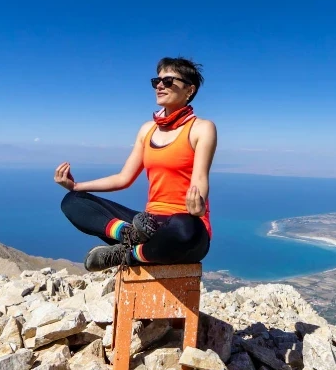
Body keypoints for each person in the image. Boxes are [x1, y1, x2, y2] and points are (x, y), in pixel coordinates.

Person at [55, 57, 217, 272]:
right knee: (72, 202)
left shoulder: (202, 128)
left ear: (189, 90)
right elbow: (123, 178)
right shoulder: (147, 129)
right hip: (147, 226)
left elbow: (199, 179)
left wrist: (198, 206)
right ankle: (127, 236)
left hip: (183, 227)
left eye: (168, 81)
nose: (159, 85)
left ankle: (127, 254)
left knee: (184, 229)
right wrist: (75, 186)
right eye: (156, 81)